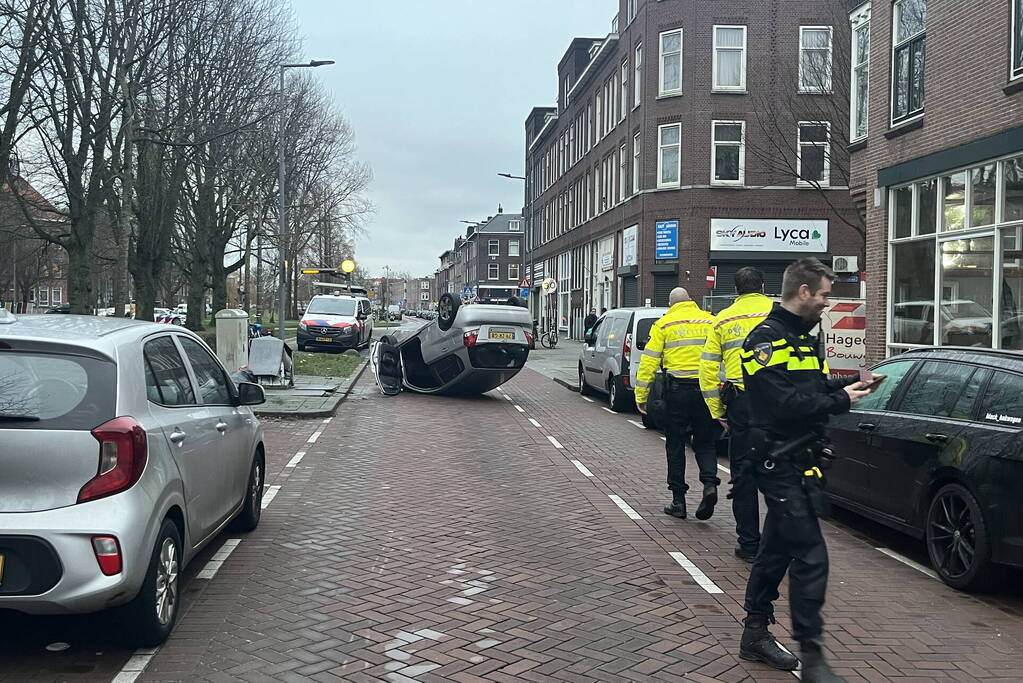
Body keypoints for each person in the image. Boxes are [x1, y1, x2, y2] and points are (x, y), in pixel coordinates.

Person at [736, 258, 872, 683]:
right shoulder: (763, 340)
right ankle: (813, 657)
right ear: (804, 292)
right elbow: (784, 405)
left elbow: (809, 389)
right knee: (811, 554)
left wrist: (850, 383)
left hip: (801, 460)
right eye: (825, 295)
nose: (827, 303)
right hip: (776, 461)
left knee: (775, 550)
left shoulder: (803, 338)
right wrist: (842, 401)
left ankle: (754, 634)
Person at [699, 267, 773, 563]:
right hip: (780, 404)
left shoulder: (723, 319)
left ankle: (750, 544)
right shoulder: (781, 314)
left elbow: (707, 371)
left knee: (744, 476)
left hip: (742, 405)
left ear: (737, 290)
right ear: (764, 286)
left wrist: (718, 411)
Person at [636, 287, 721, 520]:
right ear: (691, 301)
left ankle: (678, 501)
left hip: (677, 390)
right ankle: (710, 483)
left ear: (671, 304)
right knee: (705, 443)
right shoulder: (711, 321)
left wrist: (641, 396)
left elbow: (649, 363)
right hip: (705, 390)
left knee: (675, 445)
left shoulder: (664, 324)